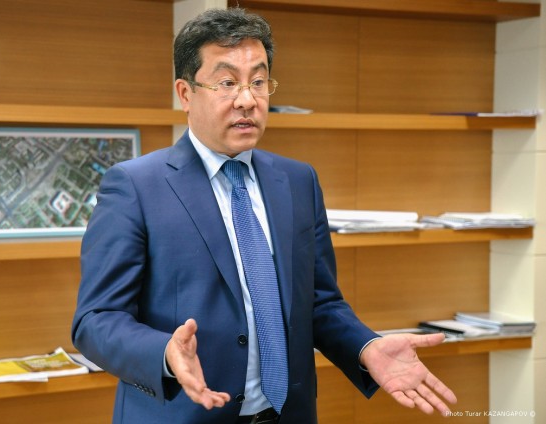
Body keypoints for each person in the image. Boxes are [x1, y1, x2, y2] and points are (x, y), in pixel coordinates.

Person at [71, 7, 457, 424]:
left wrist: (366, 347)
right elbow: (96, 321)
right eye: (227, 83)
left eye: (258, 82)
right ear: (185, 94)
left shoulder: (297, 180)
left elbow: (319, 303)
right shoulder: (135, 186)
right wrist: (163, 352)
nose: (247, 100)